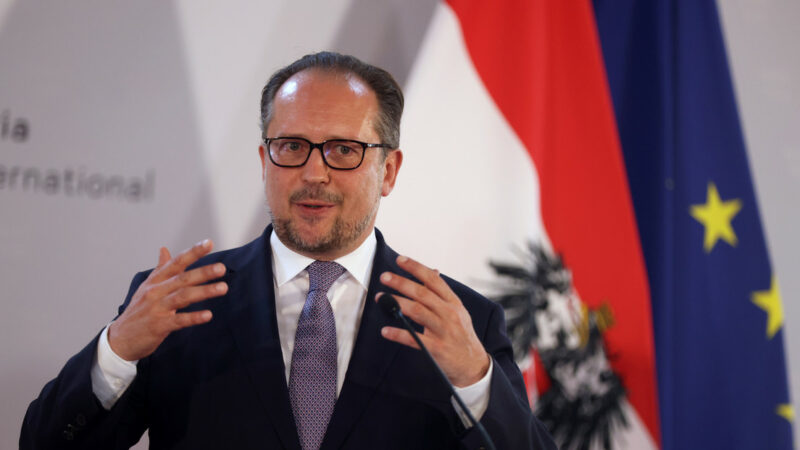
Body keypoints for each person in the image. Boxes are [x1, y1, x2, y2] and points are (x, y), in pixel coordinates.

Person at [21, 52, 556, 449]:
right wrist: (117, 352)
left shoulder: (460, 323)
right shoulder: (178, 302)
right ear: (264, 160)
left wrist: (475, 380)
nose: (314, 172)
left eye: (344, 150)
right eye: (292, 147)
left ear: (388, 171)